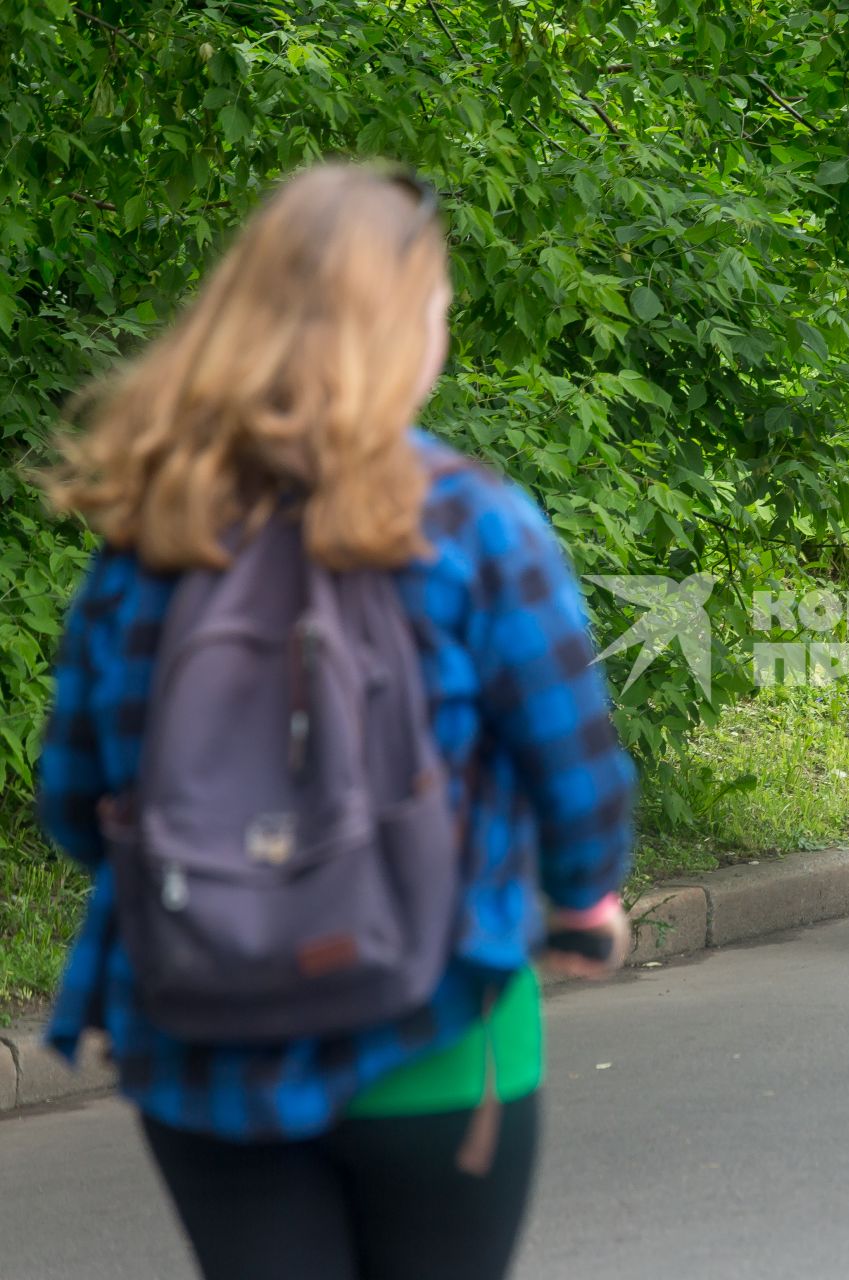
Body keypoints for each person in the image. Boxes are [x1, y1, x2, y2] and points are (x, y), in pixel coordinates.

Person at [34, 163, 636, 1280]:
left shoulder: (152, 536)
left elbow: (74, 802)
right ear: (405, 328)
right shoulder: (474, 525)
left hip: (201, 1042)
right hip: (437, 1019)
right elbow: (579, 778)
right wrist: (584, 896)